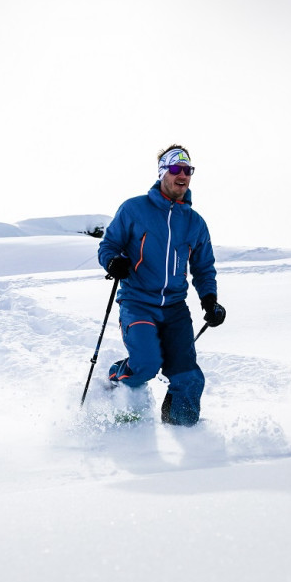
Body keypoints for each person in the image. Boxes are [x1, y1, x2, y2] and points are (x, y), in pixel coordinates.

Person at [97, 144, 226, 425]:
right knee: (146, 364)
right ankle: (118, 374)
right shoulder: (134, 209)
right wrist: (112, 262)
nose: (183, 175)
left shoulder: (195, 223)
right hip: (137, 302)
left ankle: (184, 433)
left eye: (188, 170)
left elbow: (203, 268)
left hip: (175, 310)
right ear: (162, 173)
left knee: (188, 377)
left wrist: (209, 299)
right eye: (176, 169)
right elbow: (108, 245)